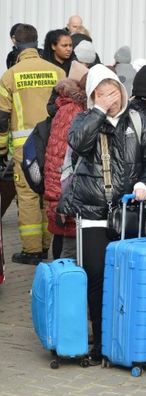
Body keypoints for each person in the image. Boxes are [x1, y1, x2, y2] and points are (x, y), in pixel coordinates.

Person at [57, 64, 146, 364]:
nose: (109, 98)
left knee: (127, 277)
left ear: (122, 90)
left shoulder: (138, 120)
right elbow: (77, 143)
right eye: (101, 93)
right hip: (92, 213)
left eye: (112, 91)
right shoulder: (84, 120)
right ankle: (100, 340)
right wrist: (98, 113)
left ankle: (127, 338)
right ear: (91, 96)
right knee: (96, 277)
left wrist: (145, 182)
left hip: (129, 212)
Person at [0, 24, 66, 265]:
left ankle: (31, 251)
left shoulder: (10, 75)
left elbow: (2, 117)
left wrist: (1, 151)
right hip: (53, 143)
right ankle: (48, 244)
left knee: (27, 195)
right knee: (49, 193)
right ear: (38, 42)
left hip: (23, 146)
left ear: (15, 43)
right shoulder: (57, 72)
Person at [43, 65, 88, 260]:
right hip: (63, 187)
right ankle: (59, 281)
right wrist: (59, 196)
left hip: (65, 187)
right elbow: (60, 155)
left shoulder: (73, 107)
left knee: (65, 235)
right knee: (65, 236)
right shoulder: (73, 110)